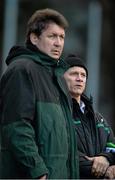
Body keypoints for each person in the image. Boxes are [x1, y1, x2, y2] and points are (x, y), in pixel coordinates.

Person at [0, 9, 79, 179]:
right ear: (34, 38)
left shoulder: (56, 76)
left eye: (62, 37)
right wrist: (38, 172)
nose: (58, 43)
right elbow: (17, 127)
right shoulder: (22, 70)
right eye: (52, 36)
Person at [63, 54, 115, 179]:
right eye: (74, 74)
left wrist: (105, 158)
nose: (80, 78)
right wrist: (102, 169)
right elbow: (62, 151)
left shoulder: (98, 118)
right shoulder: (58, 112)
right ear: (61, 78)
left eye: (83, 75)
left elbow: (112, 146)